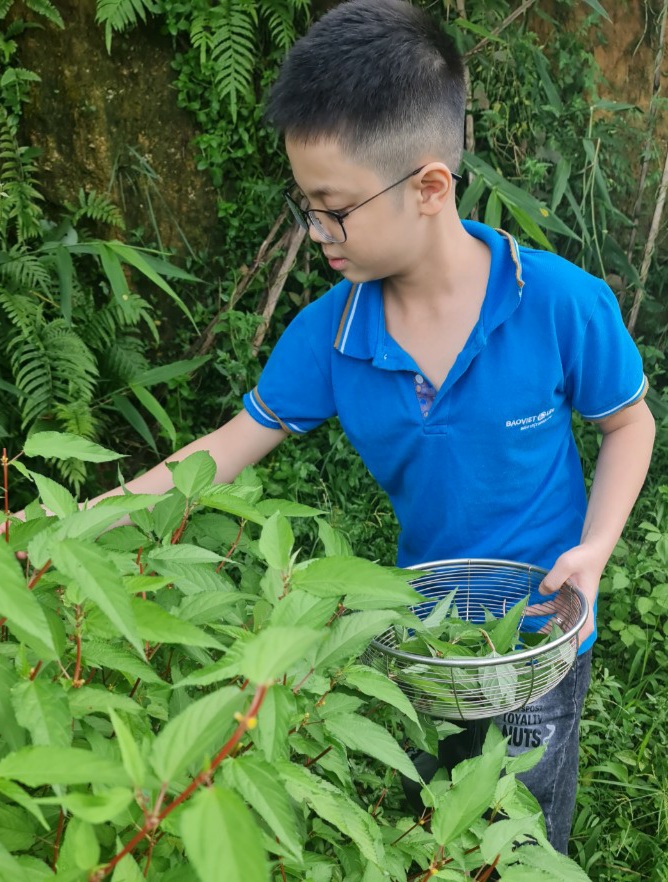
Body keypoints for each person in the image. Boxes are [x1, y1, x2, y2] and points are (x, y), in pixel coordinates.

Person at [3, 0, 655, 854]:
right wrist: (62, 526)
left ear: (429, 188)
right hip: (419, 641)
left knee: (520, 845)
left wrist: (596, 549)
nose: (315, 232)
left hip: (537, 644)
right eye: (305, 204)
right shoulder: (329, 336)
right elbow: (218, 453)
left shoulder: (560, 304)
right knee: (428, 830)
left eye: (332, 209)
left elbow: (629, 425)